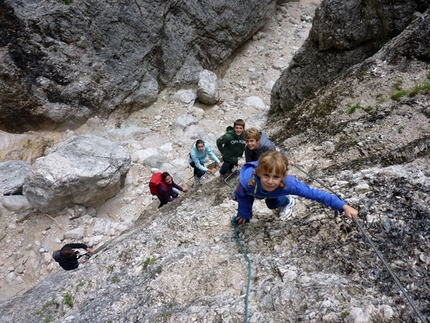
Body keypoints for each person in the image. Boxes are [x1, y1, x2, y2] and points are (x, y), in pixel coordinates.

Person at [234, 151, 358, 224]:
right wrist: (244, 214)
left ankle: (288, 201)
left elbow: (315, 194)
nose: (270, 181)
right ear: (259, 173)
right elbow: (242, 195)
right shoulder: (247, 180)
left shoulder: (289, 184)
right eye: (266, 175)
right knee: (248, 198)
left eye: (276, 177)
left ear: (283, 176)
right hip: (254, 190)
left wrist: (343, 206)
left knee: (272, 205)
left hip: (276, 192)